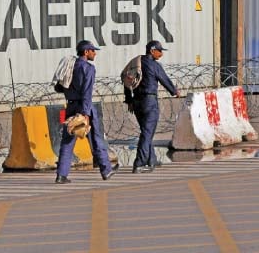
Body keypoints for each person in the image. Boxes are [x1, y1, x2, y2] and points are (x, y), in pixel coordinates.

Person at [55, 40, 118, 184]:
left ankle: (61, 175)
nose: (95, 53)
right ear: (86, 52)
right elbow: (87, 92)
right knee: (96, 139)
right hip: (85, 107)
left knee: (67, 141)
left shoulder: (69, 66)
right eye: (93, 51)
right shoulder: (88, 68)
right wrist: (84, 113)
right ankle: (106, 170)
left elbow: (59, 87)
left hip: (70, 106)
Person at [126, 40, 181, 173]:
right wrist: (174, 91)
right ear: (152, 50)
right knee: (147, 133)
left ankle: (152, 160)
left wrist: (129, 100)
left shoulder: (136, 63)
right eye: (159, 50)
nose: (161, 53)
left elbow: (126, 80)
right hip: (149, 102)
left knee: (146, 131)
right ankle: (139, 163)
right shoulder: (154, 65)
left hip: (137, 102)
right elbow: (164, 79)